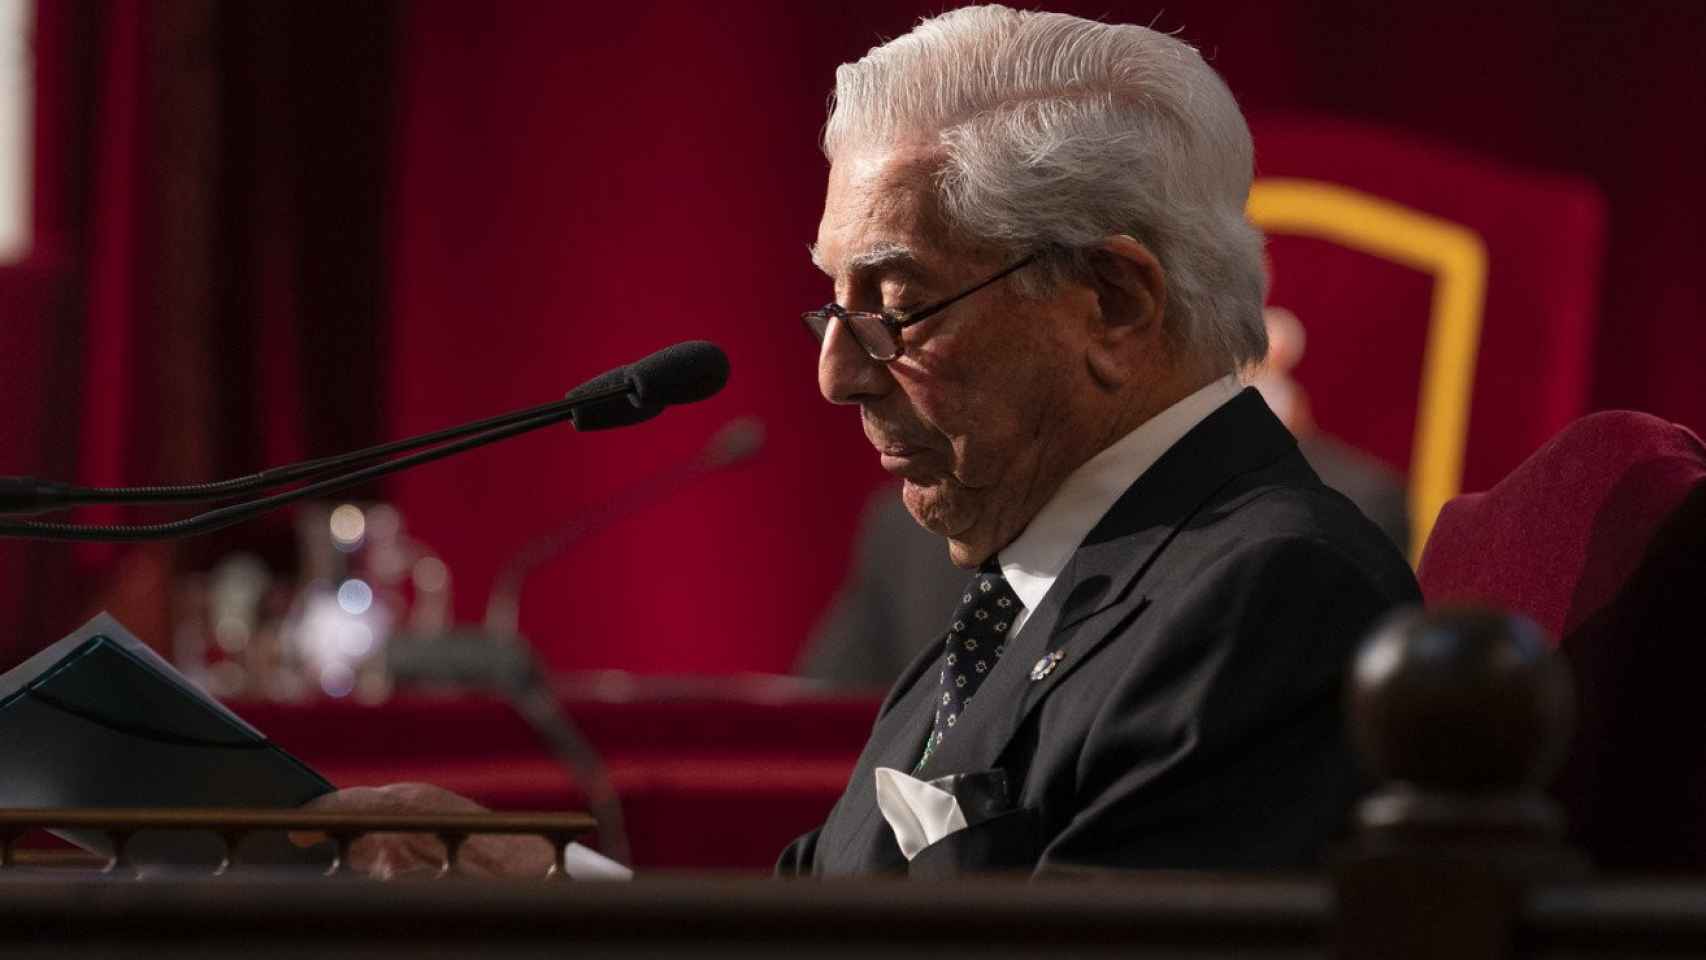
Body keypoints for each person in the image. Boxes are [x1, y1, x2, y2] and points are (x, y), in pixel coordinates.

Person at [304, 5, 1419, 879]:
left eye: (896, 304)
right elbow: (823, 916)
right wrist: (542, 886)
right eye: (830, 305)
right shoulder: (1021, 577)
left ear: (1114, 306)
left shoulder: (1267, 599)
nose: (835, 374)